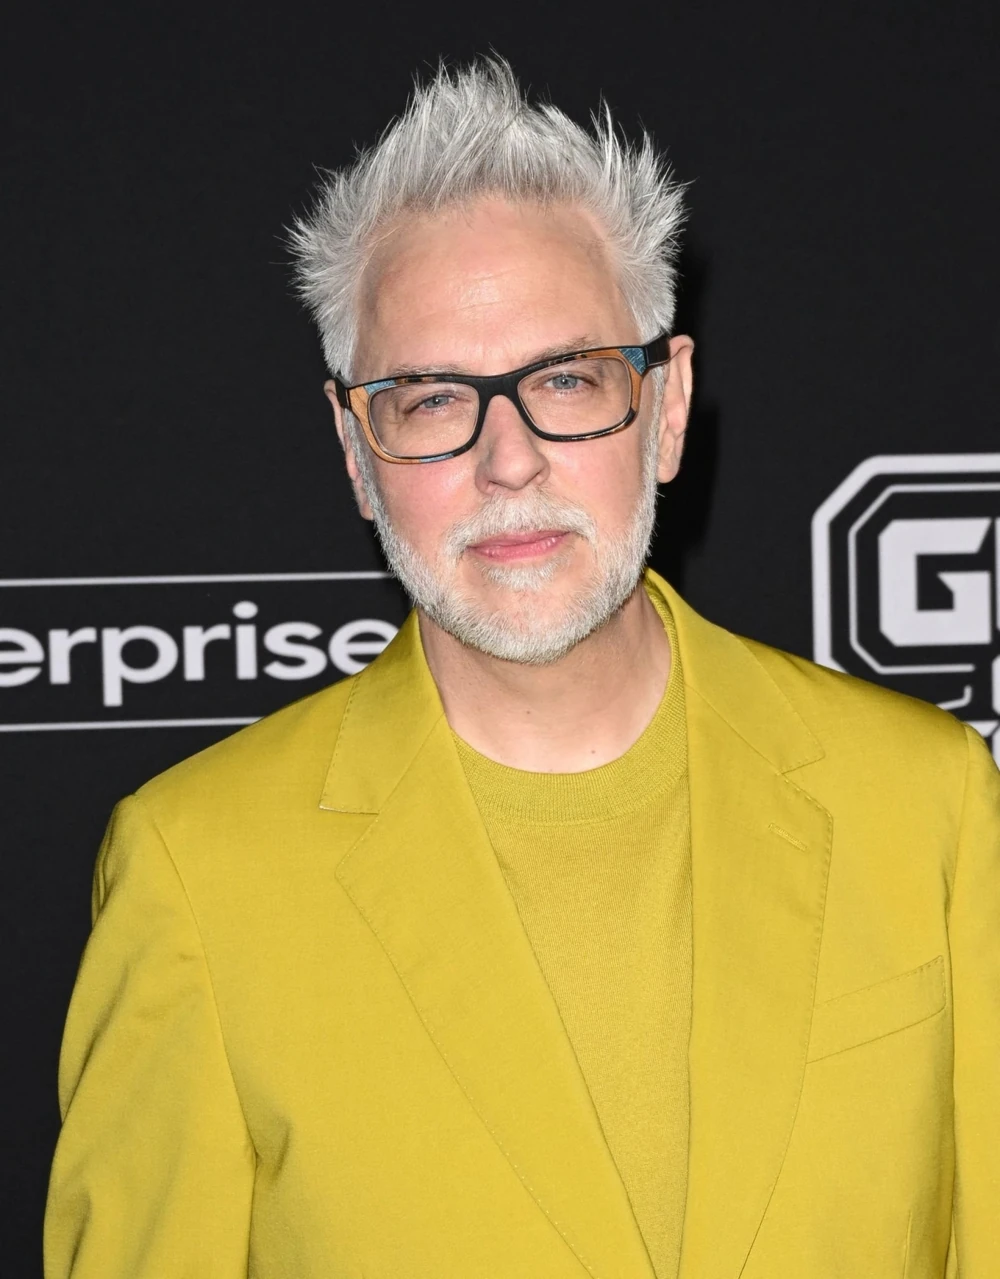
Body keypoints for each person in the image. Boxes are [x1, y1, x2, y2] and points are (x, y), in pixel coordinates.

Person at [44, 58, 999, 1279]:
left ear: (666, 407)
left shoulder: (923, 805)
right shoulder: (198, 871)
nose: (508, 461)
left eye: (564, 379)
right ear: (355, 448)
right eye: (432, 400)